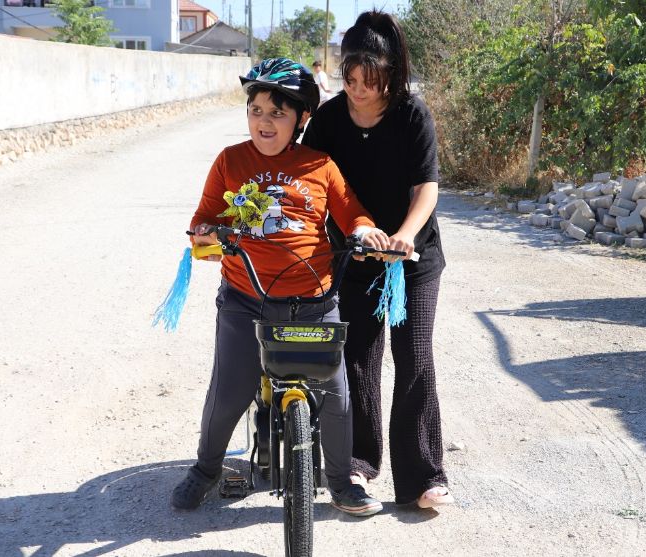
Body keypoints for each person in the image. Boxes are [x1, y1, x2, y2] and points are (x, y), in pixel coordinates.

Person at [171, 57, 388, 517]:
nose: (264, 122)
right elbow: (203, 219)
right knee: (229, 391)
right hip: (245, 300)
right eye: (256, 110)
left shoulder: (321, 166)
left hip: (313, 302)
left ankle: (340, 483)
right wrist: (211, 233)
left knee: (335, 393)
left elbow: (355, 214)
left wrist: (366, 233)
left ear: (301, 118)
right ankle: (206, 469)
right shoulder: (231, 161)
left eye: (277, 112)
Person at [302, 11, 454, 509]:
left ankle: (424, 478)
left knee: (414, 357)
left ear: (390, 73)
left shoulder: (413, 116)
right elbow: (308, 184)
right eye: (350, 79)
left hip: (413, 258)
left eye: (369, 80)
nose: (358, 90)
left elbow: (426, 187)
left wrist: (405, 236)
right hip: (353, 256)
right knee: (358, 360)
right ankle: (359, 465)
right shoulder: (327, 120)